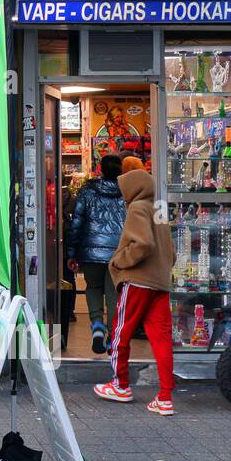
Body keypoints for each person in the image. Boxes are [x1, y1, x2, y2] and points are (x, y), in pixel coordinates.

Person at [94, 168, 177, 416]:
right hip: (159, 283)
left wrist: (119, 261)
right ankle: (165, 397)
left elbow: (143, 244)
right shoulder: (159, 208)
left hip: (138, 280)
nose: (122, 195)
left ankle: (120, 384)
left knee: (121, 331)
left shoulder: (138, 207)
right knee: (162, 340)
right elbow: (170, 250)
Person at [65, 153, 125, 354]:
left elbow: (76, 223)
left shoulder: (87, 190)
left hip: (91, 251)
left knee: (93, 287)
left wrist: (71, 253)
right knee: (113, 293)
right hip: (118, 253)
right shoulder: (126, 191)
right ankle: (111, 336)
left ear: (100, 169)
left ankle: (97, 325)